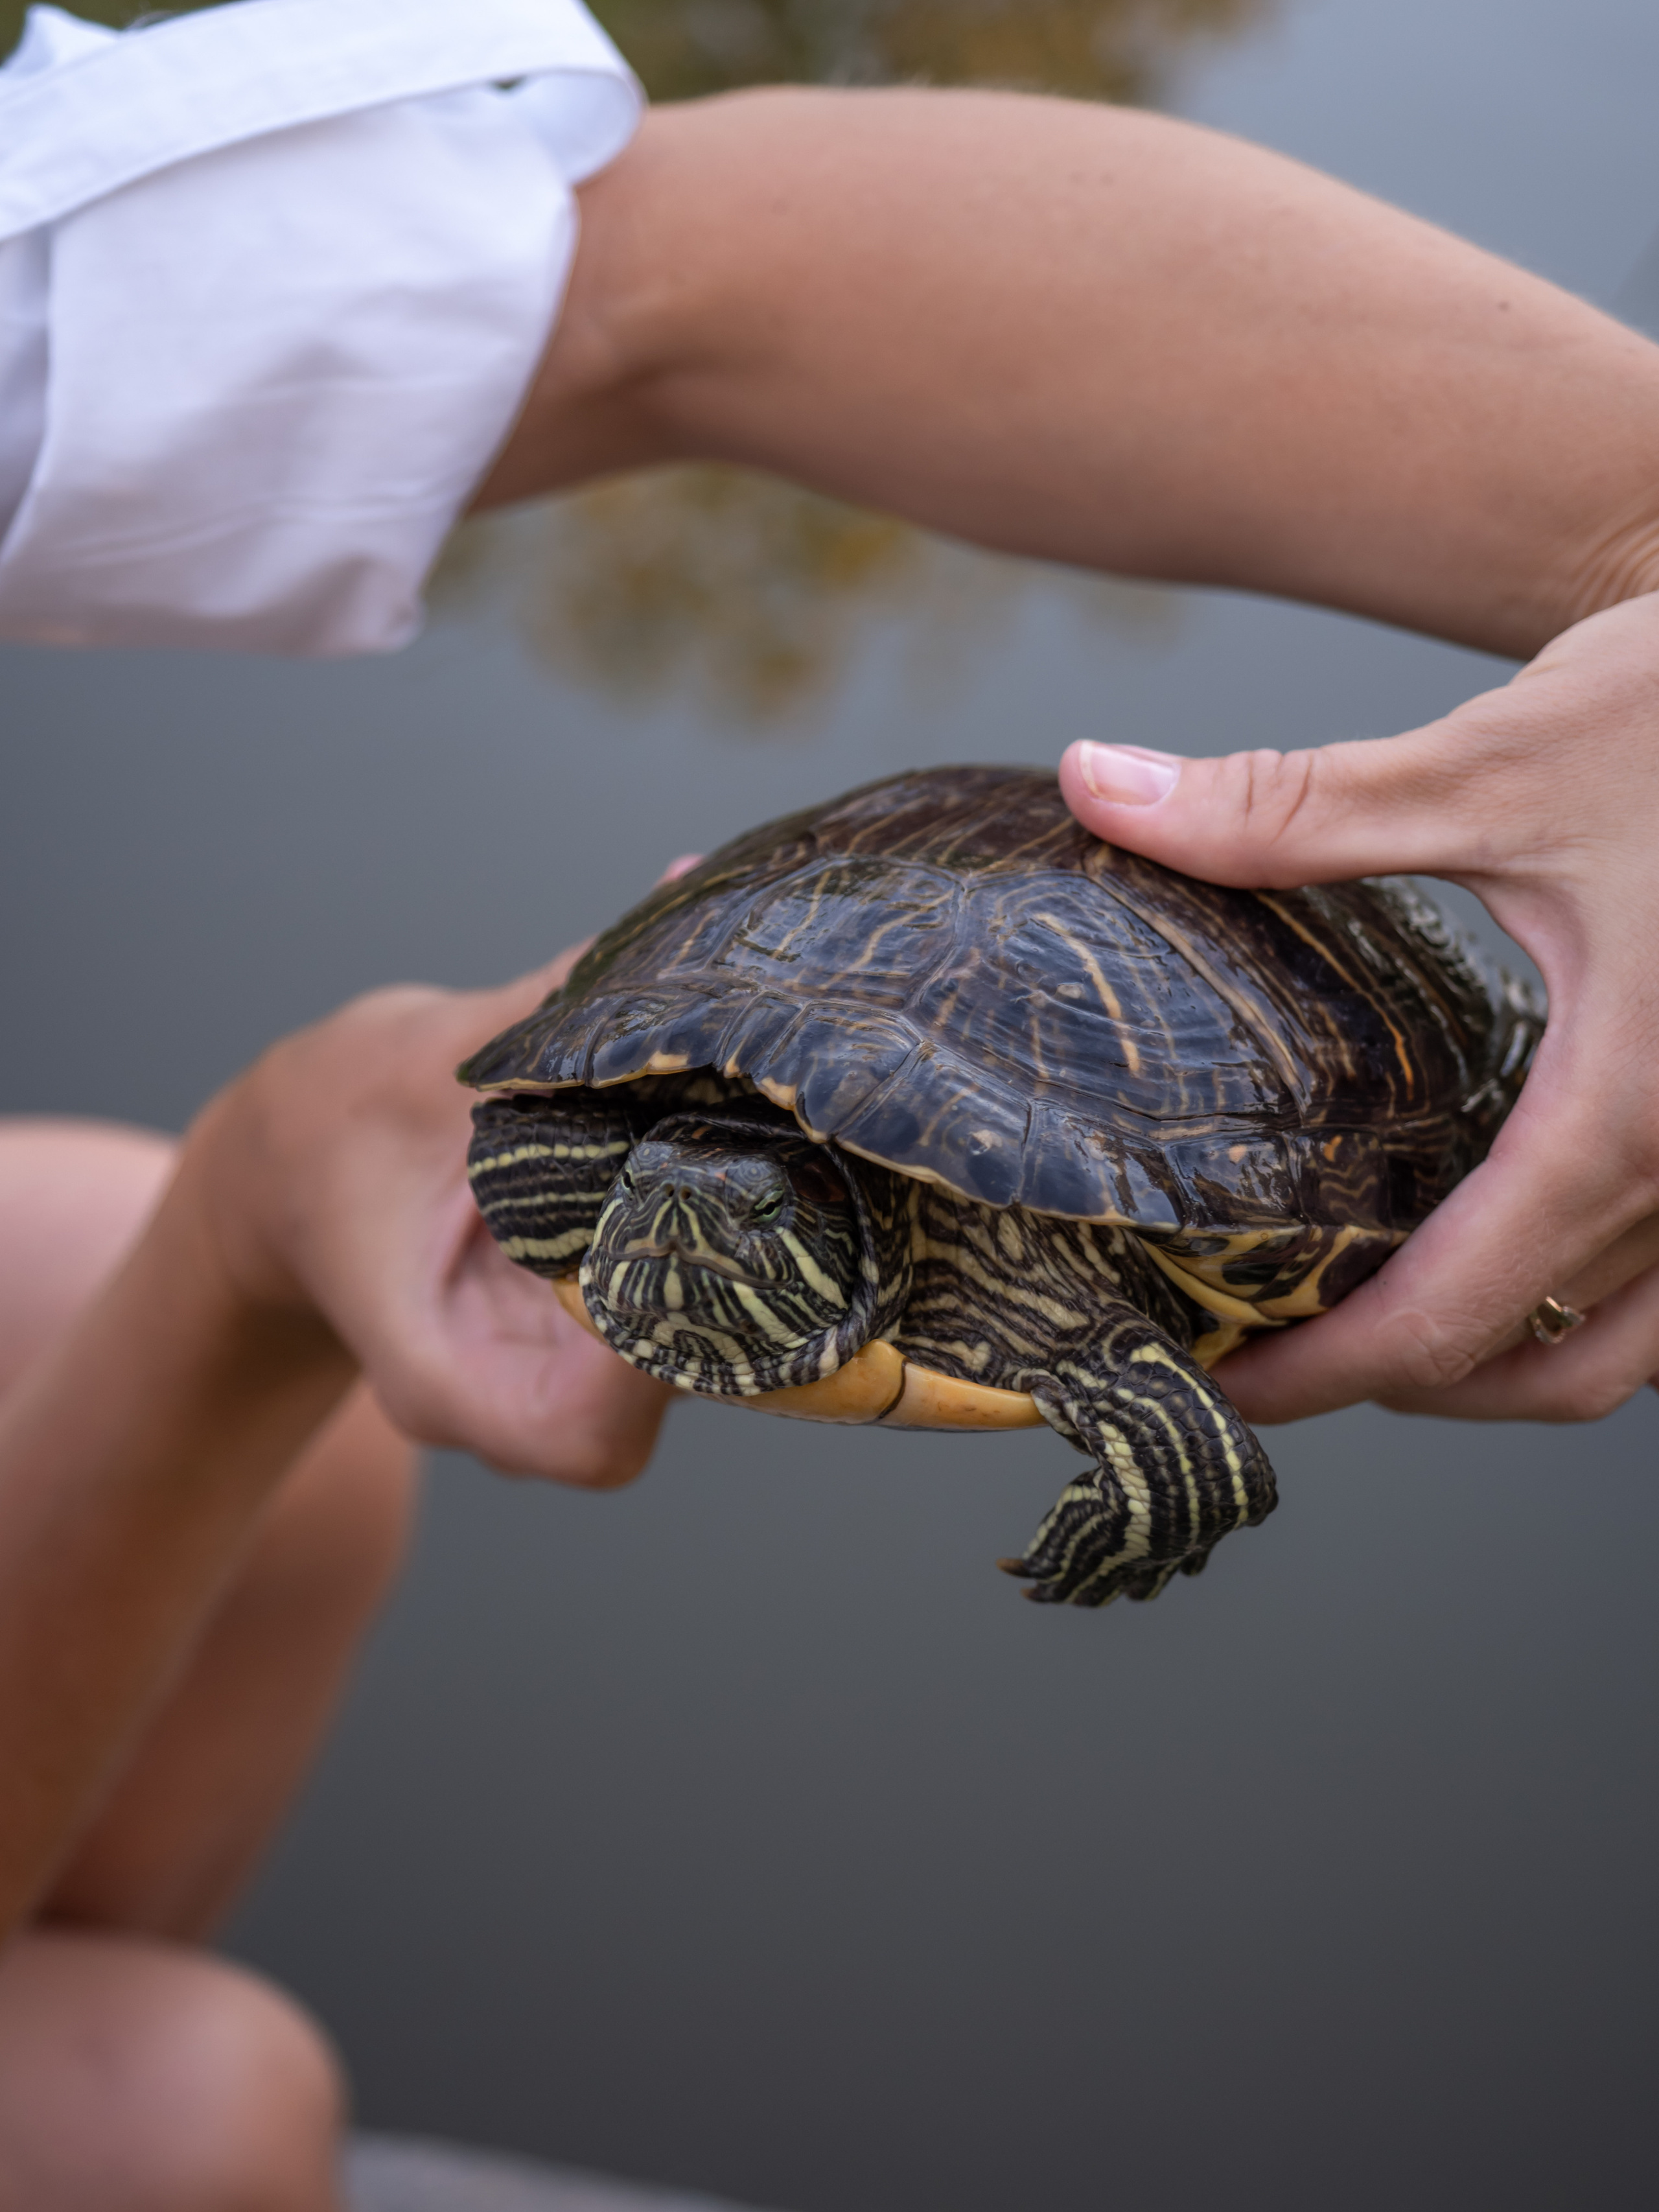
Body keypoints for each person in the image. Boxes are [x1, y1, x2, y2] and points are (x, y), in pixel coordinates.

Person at [3, 1, 1659, 2203]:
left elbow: (682, 281)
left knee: (229, 1439)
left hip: (1025, 1075)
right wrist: (238, 1254)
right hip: (970, 1237)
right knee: (193, 2115)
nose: (656, 1191)